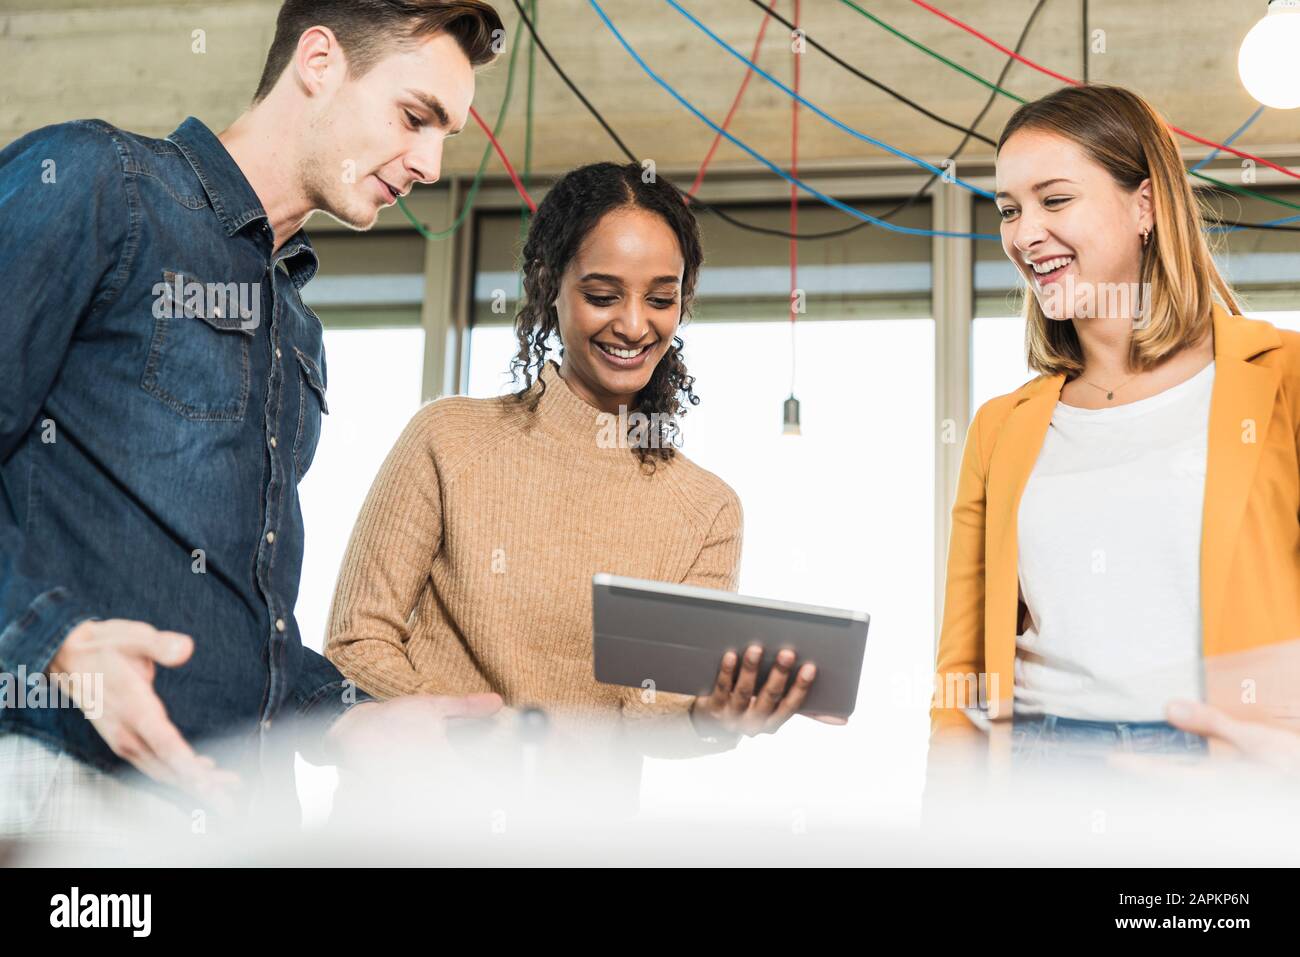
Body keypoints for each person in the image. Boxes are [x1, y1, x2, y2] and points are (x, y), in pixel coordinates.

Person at [0, 0, 508, 842]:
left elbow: (239, 606)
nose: (428, 163)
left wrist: (340, 713)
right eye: (416, 117)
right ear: (319, 61)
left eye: (446, 136)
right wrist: (57, 643)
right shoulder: (100, 184)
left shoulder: (297, 329)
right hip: (59, 782)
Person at [325, 161, 843, 810]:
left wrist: (716, 717)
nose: (633, 325)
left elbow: (649, 718)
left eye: (661, 298)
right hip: (409, 825)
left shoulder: (706, 509)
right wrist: (478, 741)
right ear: (549, 286)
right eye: (602, 294)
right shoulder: (447, 439)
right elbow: (354, 641)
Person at [929, 84, 1300, 770]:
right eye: (1009, 210)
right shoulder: (1000, 428)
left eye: (1055, 199)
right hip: (1040, 769)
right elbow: (961, 672)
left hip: (1220, 768)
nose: (1024, 232)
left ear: (1146, 205)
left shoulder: (1282, 377)